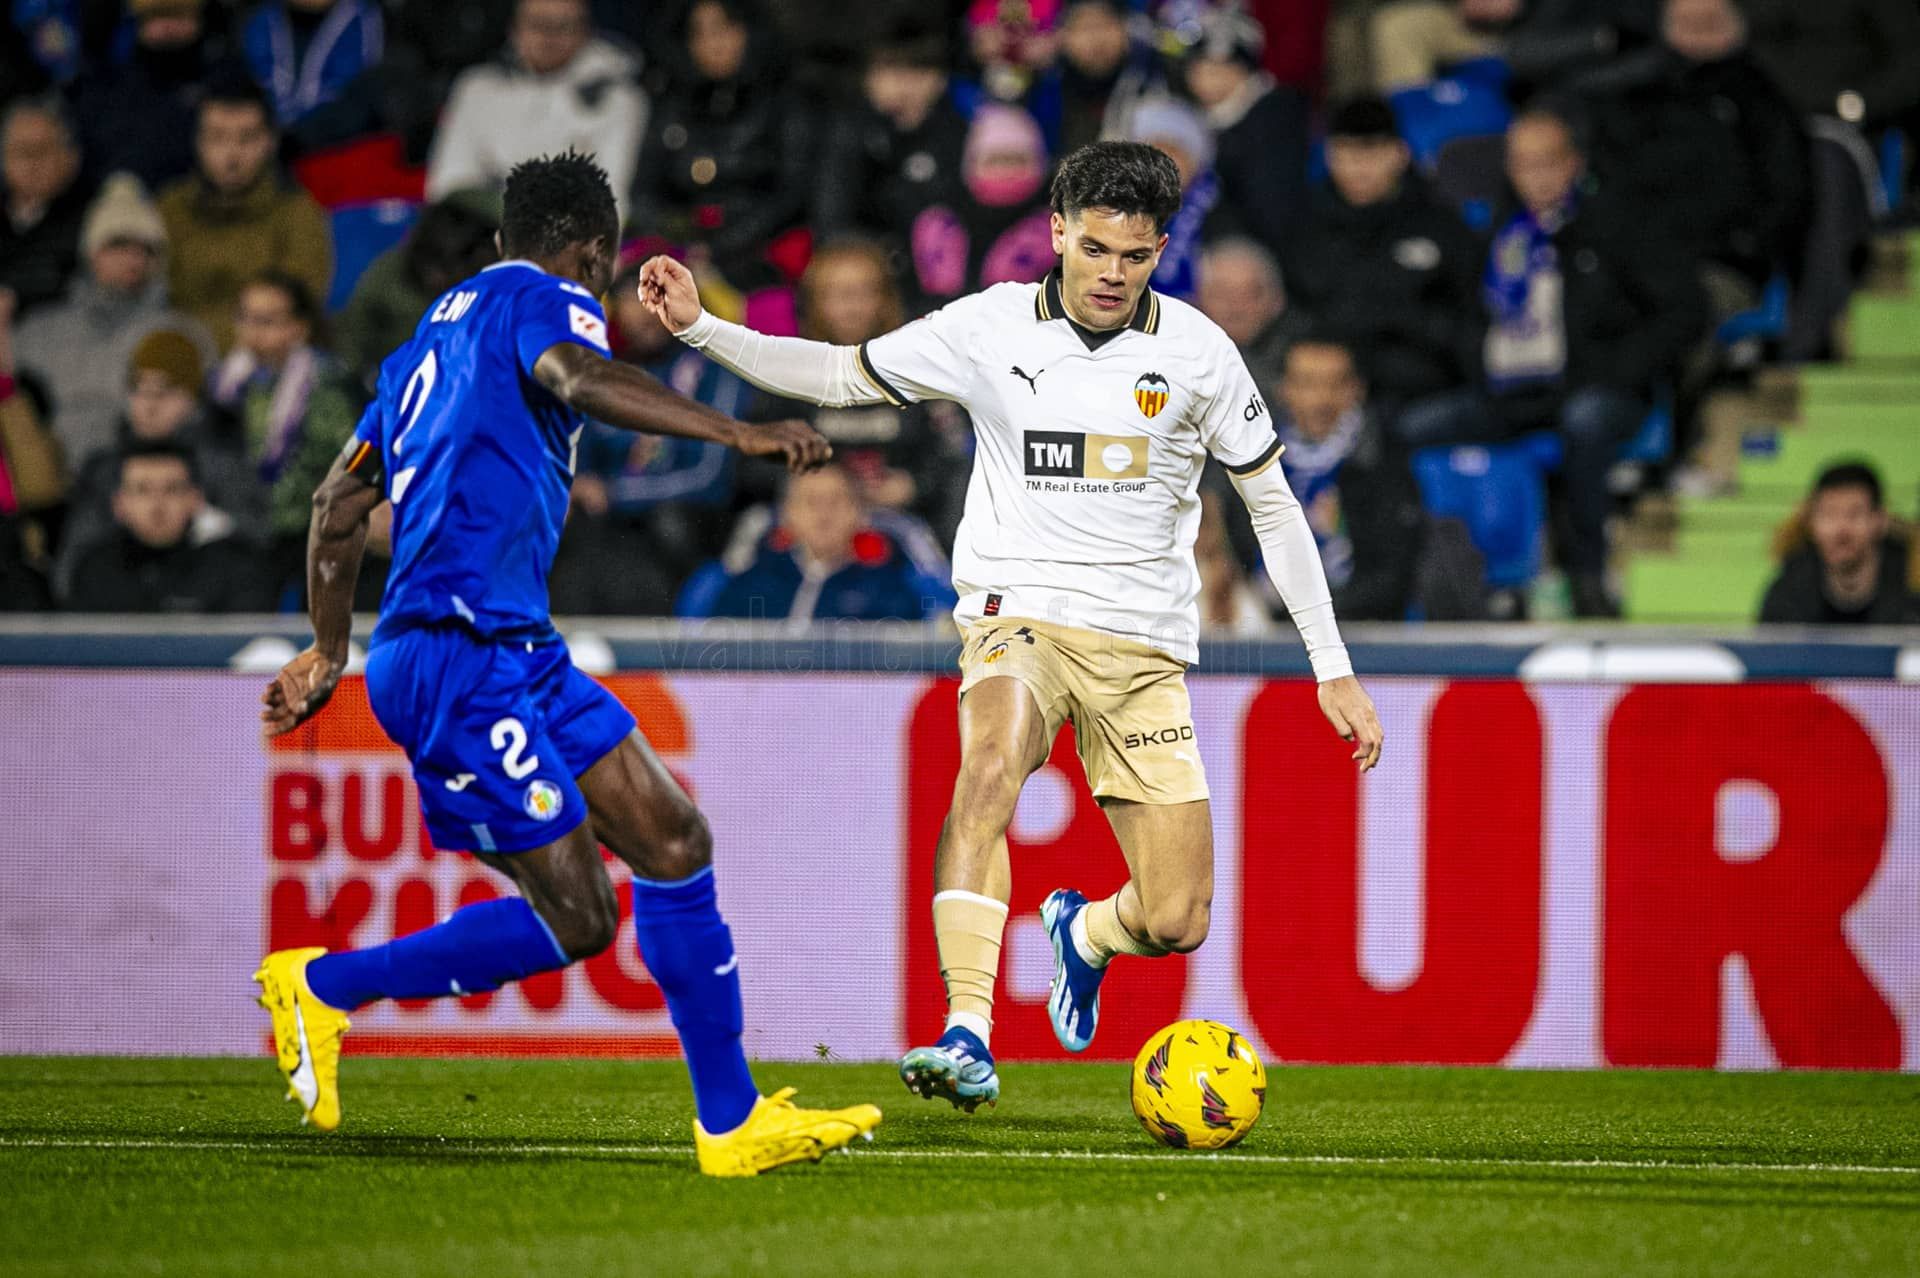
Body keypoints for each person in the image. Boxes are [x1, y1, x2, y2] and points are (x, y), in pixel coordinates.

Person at [640, 140, 1382, 1109]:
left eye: (1138, 255)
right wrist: (705, 330)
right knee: (986, 768)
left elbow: (1274, 506)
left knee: (1177, 916)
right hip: (1015, 613)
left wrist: (1333, 666)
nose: (1114, 274)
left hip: (1143, 646)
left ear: (1162, 249)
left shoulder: (1200, 352)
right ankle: (969, 1029)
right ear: (1058, 233)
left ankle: (1085, 936)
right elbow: (835, 374)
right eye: (1097, 250)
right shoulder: (990, 327)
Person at [251, 150, 876, 1175]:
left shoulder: (418, 355)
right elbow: (576, 377)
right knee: (580, 916)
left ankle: (733, 1122)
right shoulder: (551, 301)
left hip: (506, 645)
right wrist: (736, 432)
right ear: (594, 253)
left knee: (673, 839)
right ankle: (324, 987)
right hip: (458, 657)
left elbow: (336, 507)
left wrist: (328, 649)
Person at [1393, 103, 1704, 617]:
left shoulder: (1618, 225)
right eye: (1522, 163)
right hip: (1510, 394)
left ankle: (1587, 576)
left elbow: (1685, 311)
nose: (1535, 175)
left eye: (1547, 161)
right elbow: (1471, 317)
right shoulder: (1499, 234)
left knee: (1584, 423)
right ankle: (1429, 581)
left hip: (1596, 388)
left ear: (1574, 163)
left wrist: (1615, 367)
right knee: (1409, 429)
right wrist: (1476, 358)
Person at [1284, 95, 1485, 418]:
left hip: (1423, 393)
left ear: (1400, 154)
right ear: (1330, 156)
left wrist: (1403, 320)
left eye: (1372, 152)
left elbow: (1469, 319)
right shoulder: (1305, 226)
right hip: (1328, 398)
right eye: (1347, 153)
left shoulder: (1441, 226)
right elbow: (1296, 317)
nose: (1360, 167)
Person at [14, 173, 216, 470]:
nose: (133, 258)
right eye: (118, 244)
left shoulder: (181, 335)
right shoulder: (37, 331)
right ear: (91, 251)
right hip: (42, 484)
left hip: (144, 486)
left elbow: (197, 429)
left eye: (146, 249)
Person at [55, 327, 262, 598]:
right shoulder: (104, 469)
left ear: (193, 399)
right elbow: (72, 565)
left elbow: (259, 543)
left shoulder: (226, 467)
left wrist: (218, 526)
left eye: (163, 393)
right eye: (139, 391)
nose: (148, 406)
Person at [628, 0, 809, 290]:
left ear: (750, 31)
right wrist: (679, 239)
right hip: (681, 250)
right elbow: (643, 192)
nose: (712, 43)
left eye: (724, 28)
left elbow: (791, 194)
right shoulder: (671, 103)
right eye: (698, 33)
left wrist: (721, 246)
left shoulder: (784, 101)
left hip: (760, 253)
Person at [210, 271, 364, 597]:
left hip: (310, 527)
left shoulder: (328, 386)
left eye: (266, 320)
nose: (252, 331)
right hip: (242, 525)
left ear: (299, 327)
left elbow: (350, 458)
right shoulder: (225, 386)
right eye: (245, 318)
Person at [426, 0, 645, 221]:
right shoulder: (476, 88)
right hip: (479, 237)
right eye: (538, 24)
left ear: (586, 31)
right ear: (514, 28)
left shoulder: (619, 99)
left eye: (563, 26)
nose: (550, 36)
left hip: (571, 243)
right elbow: (448, 187)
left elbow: (611, 200)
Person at [158, 79, 332, 352]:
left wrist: (196, 339)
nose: (232, 154)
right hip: (177, 368)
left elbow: (294, 314)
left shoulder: (298, 213)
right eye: (217, 137)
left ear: (270, 142)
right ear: (198, 142)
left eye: (247, 138)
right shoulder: (169, 210)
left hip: (267, 367)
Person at [1269, 334, 1425, 621]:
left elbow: (1392, 577)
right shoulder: (1253, 460)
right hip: (1264, 623)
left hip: (1359, 629)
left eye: (1335, 384)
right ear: (1284, 390)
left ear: (1357, 390)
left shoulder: (1381, 460)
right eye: (1307, 384)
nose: (1321, 399)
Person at [693, 462, 944, 623]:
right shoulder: (749, 585)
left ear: (858, 514)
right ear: (788, 513)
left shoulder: (890, 590)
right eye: (811, 502)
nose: (824, 515)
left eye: (836, 502)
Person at [810, 34, 971, 267]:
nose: (905, 84)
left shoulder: (963, 133)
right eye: (891, 70)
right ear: (868, 79)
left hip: (944, 266)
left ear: (941, 80)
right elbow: (831, 219)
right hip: (869, 264)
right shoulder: (847, 132)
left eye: (919, 71)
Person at [62, 440, 275, 613]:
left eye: (172, 489)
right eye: (142, 490)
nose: (157, 505)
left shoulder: (235, 568)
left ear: (195, 500)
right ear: (119, 503)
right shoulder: (94, 569)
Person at [1173, 4, 1311, 261]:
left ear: (1247, 71)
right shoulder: (1196, 119)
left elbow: (1273, 213)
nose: (1209, 80)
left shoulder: (1273, 118)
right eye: (1201, 69)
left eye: (1223, 69)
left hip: (1263, 259)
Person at [336, 190, 501, 390]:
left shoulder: (497, 288)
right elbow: (353, 336)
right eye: (450, 223)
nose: (454, 236)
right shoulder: (393, 269)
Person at [68, 0, 233, 191]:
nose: (169, 28)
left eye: (179, 16)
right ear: (139, 24)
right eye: (158, 17)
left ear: (199, 20)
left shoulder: (225, 81)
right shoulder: (110, 88)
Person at [1759, 463, 1919, 625]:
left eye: (1854, 514)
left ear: (1880, 520)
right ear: (1811, 522)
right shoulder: (1788, 591)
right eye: (1829, 515)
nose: (1840, 530)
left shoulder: (1913, 588)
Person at [0, 96, 90, 317]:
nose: (32, 162)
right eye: (21, 150)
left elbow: (68, 278)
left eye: (42, 150)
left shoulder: (91, 215)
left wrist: (13, 292)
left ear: (70, 157)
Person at [240, 0, 385, 127]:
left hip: (338, 144)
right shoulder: (258, 22)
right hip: (264, 140)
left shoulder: (366, 21)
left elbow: (358, 99)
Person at [1195, 236, 1303, 374]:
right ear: (1196, 299)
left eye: (1250, 294)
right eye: (1221, 294)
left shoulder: (1304, 362)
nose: (1235, 307)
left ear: (1277, 301)